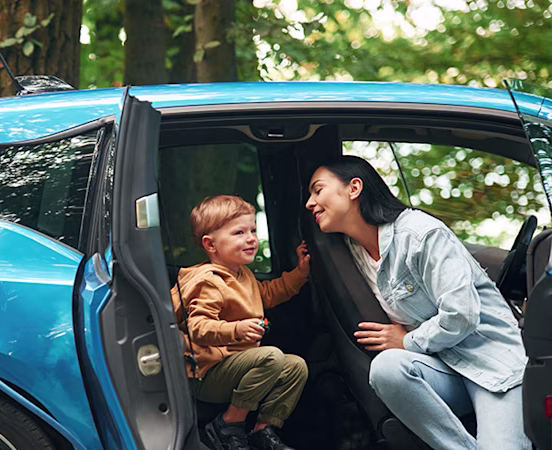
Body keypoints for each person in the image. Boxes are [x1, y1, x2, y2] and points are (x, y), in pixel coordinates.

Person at [304, 155, 531, 450]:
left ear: (354, 188)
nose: (310, 202)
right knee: (386, 367)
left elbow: (461, 314)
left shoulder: (420, 233)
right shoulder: (349, 253)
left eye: (317, 190)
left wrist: (409, 340)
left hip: (491, 364)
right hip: (443, 366)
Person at [172, 195, 310, 450]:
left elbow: (267, 293)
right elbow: (197, 328)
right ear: (210, 245)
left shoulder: (241, 274)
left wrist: (300, 274)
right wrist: (235, 329)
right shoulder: (209, 282)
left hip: (232, 367)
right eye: (239, 232)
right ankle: (227, 425)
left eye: (253, 230)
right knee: (271, 357)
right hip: (207, 374)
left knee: (296, 366)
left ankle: (263, 430)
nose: (251, 238)